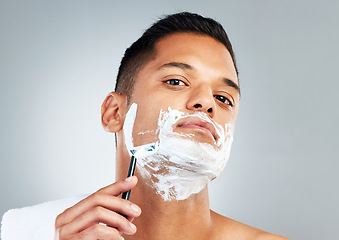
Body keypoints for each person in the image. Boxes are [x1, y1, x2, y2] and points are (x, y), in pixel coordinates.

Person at [2, 12, 289, 240]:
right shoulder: (27, 232)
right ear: (115, 113)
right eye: (176, 81)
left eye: (223, 98)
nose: (207, 102)